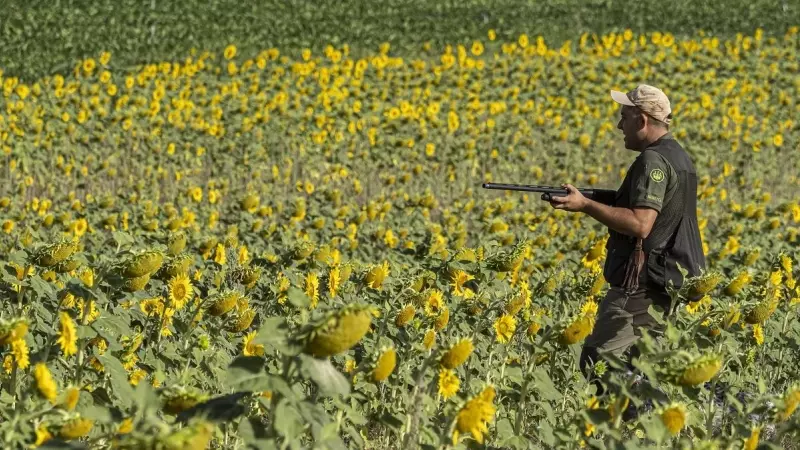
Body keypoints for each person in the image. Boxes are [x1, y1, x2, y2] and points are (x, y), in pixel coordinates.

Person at [547, 84, 706, 396]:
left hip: (640, 285)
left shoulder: (653, 161)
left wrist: (586, 205)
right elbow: (653, 210)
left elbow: (641, 223)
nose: (620, 126)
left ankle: (633, 421)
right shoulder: (679, 157)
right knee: (638, 368)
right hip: (663, 280)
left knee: (599, 360)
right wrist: (595, 197)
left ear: (642, 121)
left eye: (624, 117)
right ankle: (647, 429)